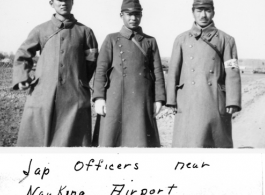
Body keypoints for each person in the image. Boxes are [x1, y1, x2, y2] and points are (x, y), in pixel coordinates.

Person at [12, 0, 98, 147]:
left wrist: (77, 80)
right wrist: (22, 76)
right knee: (37, 139)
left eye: (67, 0)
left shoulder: (85, 32)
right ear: (51, 3)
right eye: (59, 0)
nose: (63, 3)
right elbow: (23, 53)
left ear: (72, 2)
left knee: (71, 142)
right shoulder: (40, 30)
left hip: (74, 96)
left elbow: (91, 62)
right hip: (43, 94)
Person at [166, 0, 241, 148]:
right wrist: (171, 100)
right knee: (187, 145)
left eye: (207, 10)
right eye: (199, 11)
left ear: (213, 12)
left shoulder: (227, 40)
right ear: (193, 12)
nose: (203, 15)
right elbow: (173, 71)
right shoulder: (181, 39)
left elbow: (232, 72)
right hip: (187, 100)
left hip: (214, 99)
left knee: (215, 145)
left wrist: (232, 101)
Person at [92, 0, 166, 147]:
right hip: (115, 99)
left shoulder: (150, 41)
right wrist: (99, 97)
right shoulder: (111, 39)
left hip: (142, 99)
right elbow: (100, 70)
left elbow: (157, 72)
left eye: (137, 14)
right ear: (121, 15)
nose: (133, 18)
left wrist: (158, 99)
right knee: (111, 142)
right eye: (129, 14)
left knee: (141, 141)